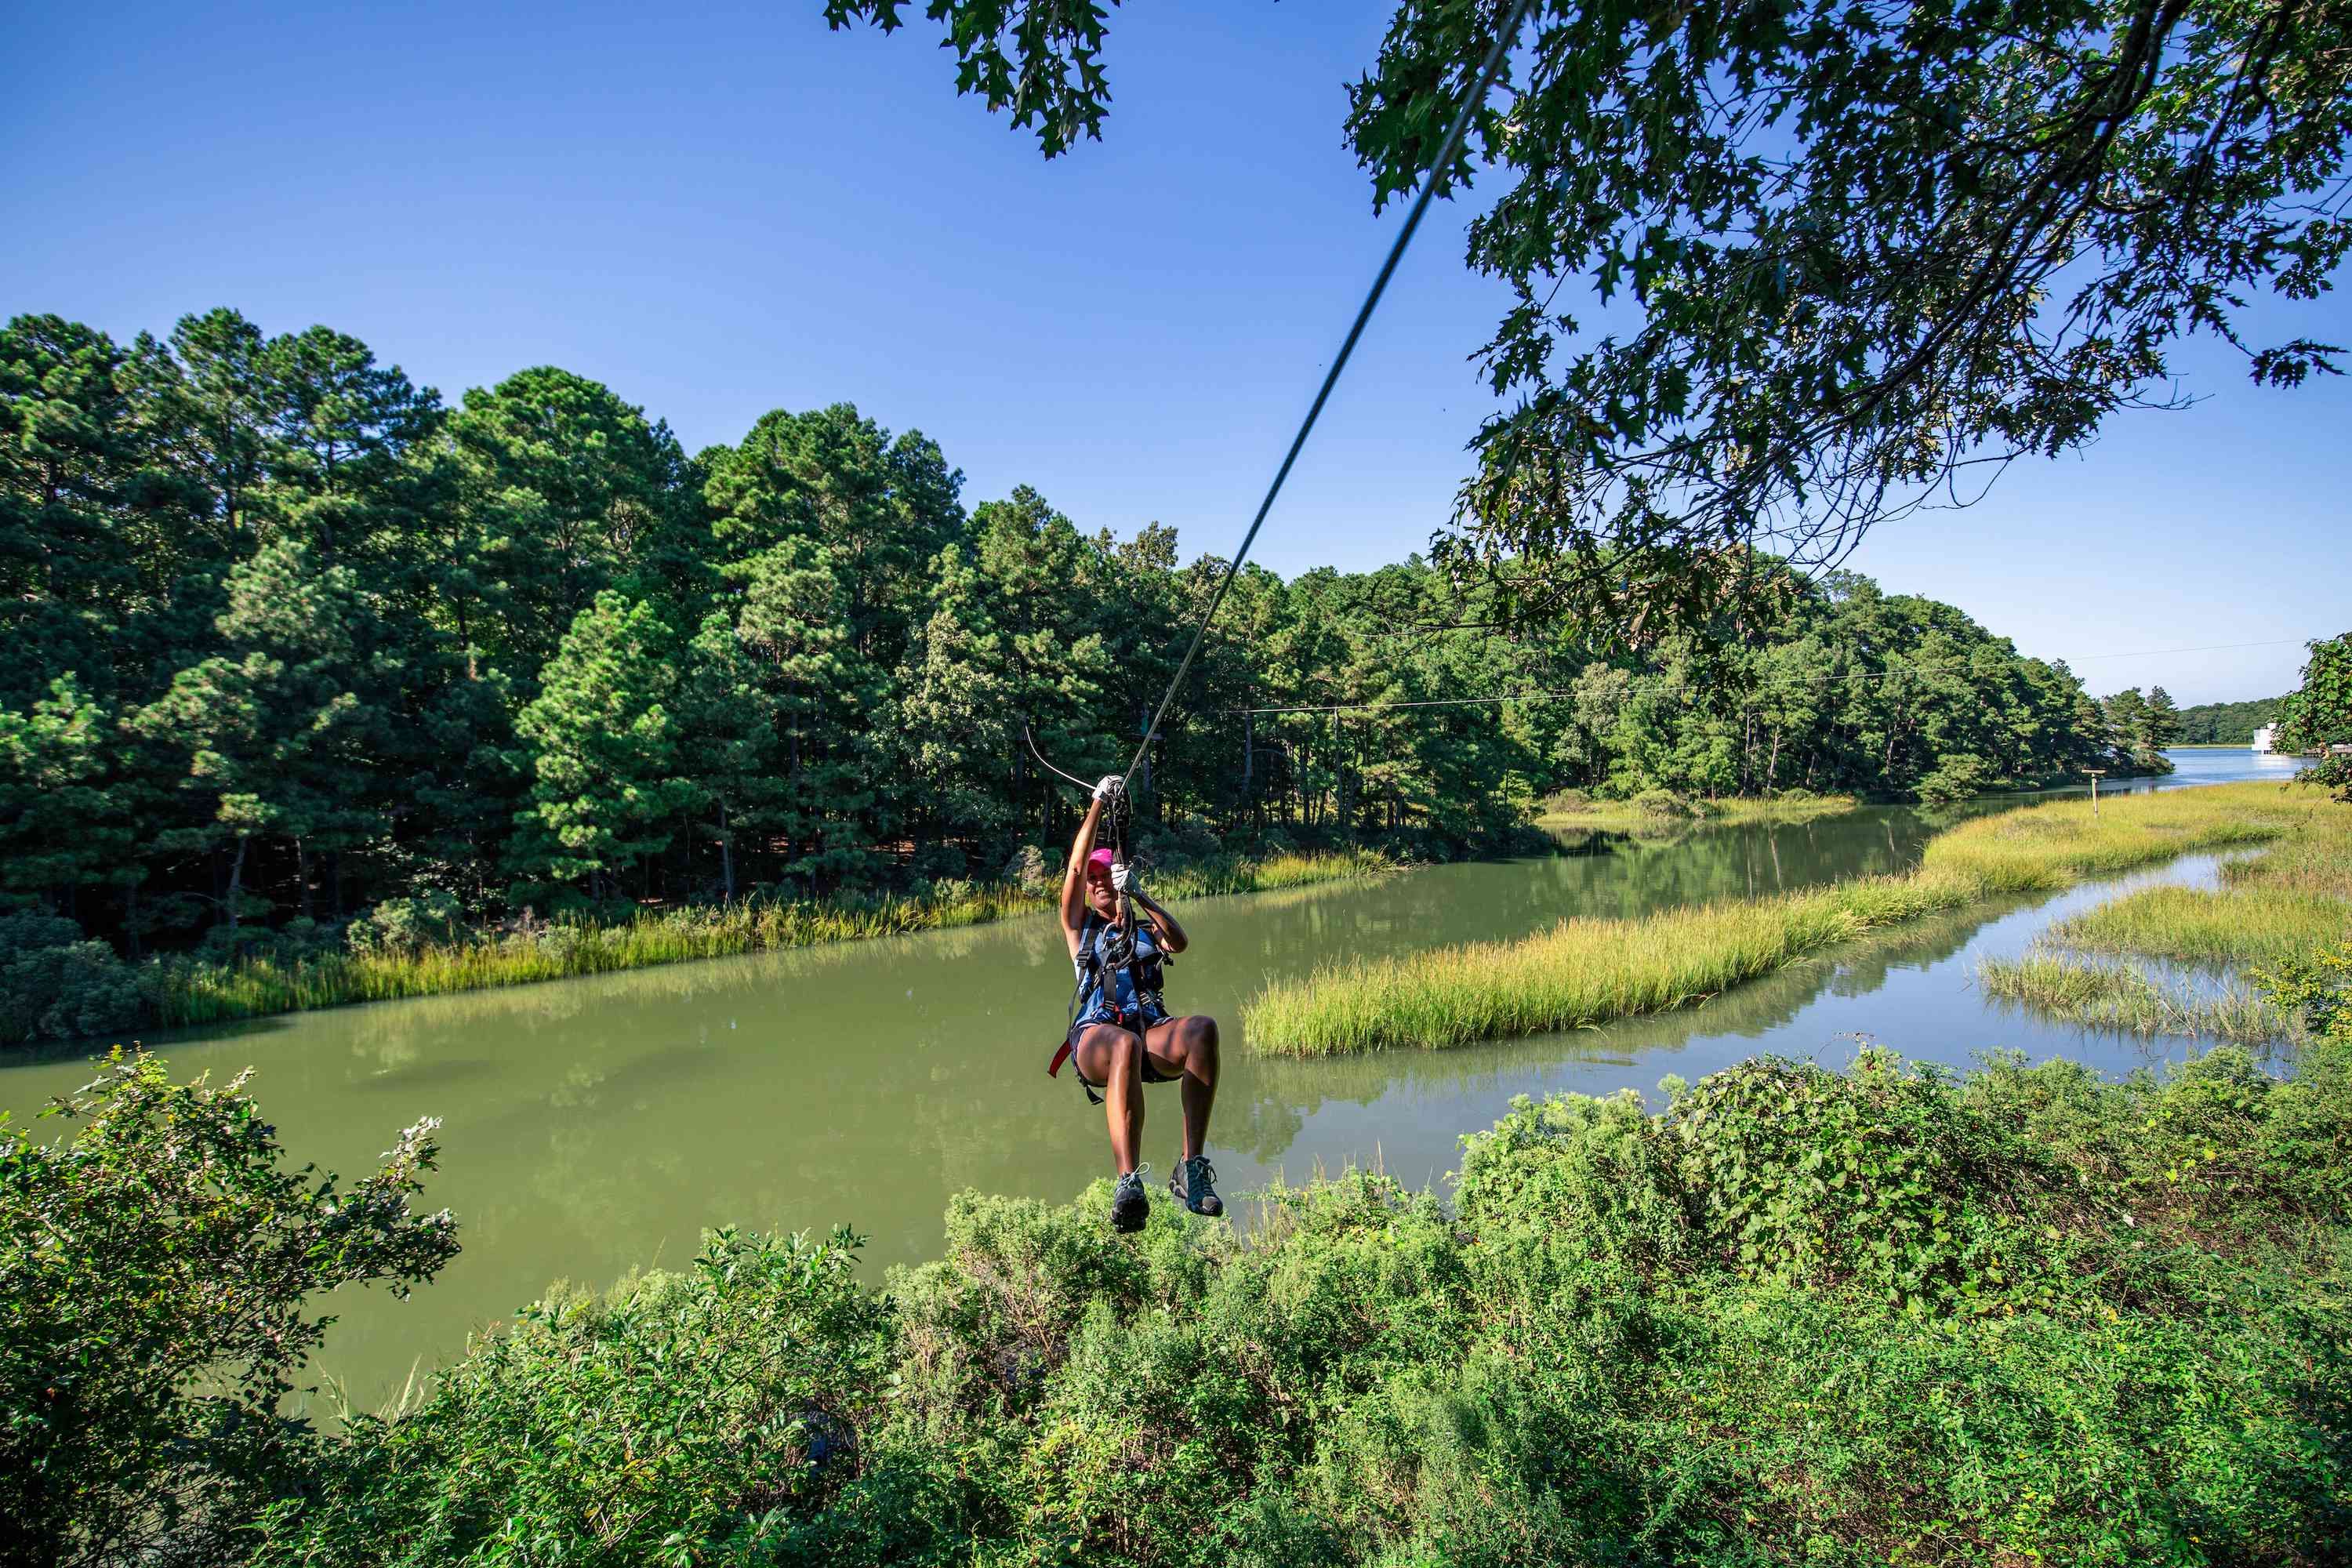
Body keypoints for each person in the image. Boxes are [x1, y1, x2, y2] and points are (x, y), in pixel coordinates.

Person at [1051, 774, 1221, 1232]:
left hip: (1151, 1035)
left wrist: (1140, 895)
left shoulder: (1145, 929)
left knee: (1203, 1028)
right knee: (1124, 1044)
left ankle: (1192, 1169)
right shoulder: (1080, 928)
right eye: (1094, 879)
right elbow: (1074, 863)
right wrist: (1097, 805)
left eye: (1107, 875)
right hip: (1098, 1041)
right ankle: (1128, 1182)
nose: (1099, 881)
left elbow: (1180, 942)